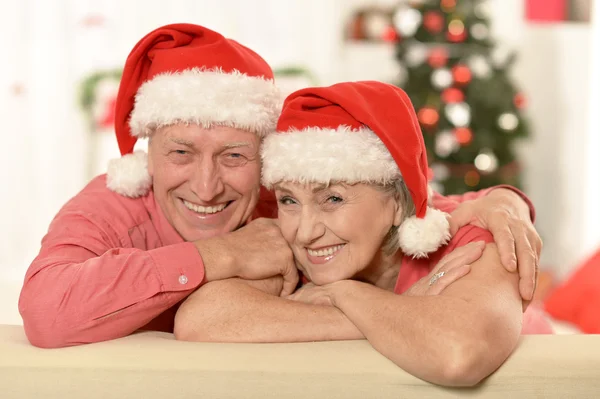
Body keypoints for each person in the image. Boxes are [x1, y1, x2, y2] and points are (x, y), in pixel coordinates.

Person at [19, 23, 541, 349]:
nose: (205, 187)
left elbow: (390, 201)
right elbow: (45, 311)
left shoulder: (284, 198)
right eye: (180, 153)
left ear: (265, 159)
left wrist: (500, 201)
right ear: (146, 154)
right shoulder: (114, 204)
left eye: (234, 156)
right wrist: (222, 256)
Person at [176, 81, 552, 387]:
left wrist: (342, 294)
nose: (305, 232)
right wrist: (386, 316)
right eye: (289, 200)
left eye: (333, 198)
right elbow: (199, 318)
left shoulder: (476, 237)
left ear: (398, 203)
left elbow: (459, 354)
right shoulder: (288, 241)